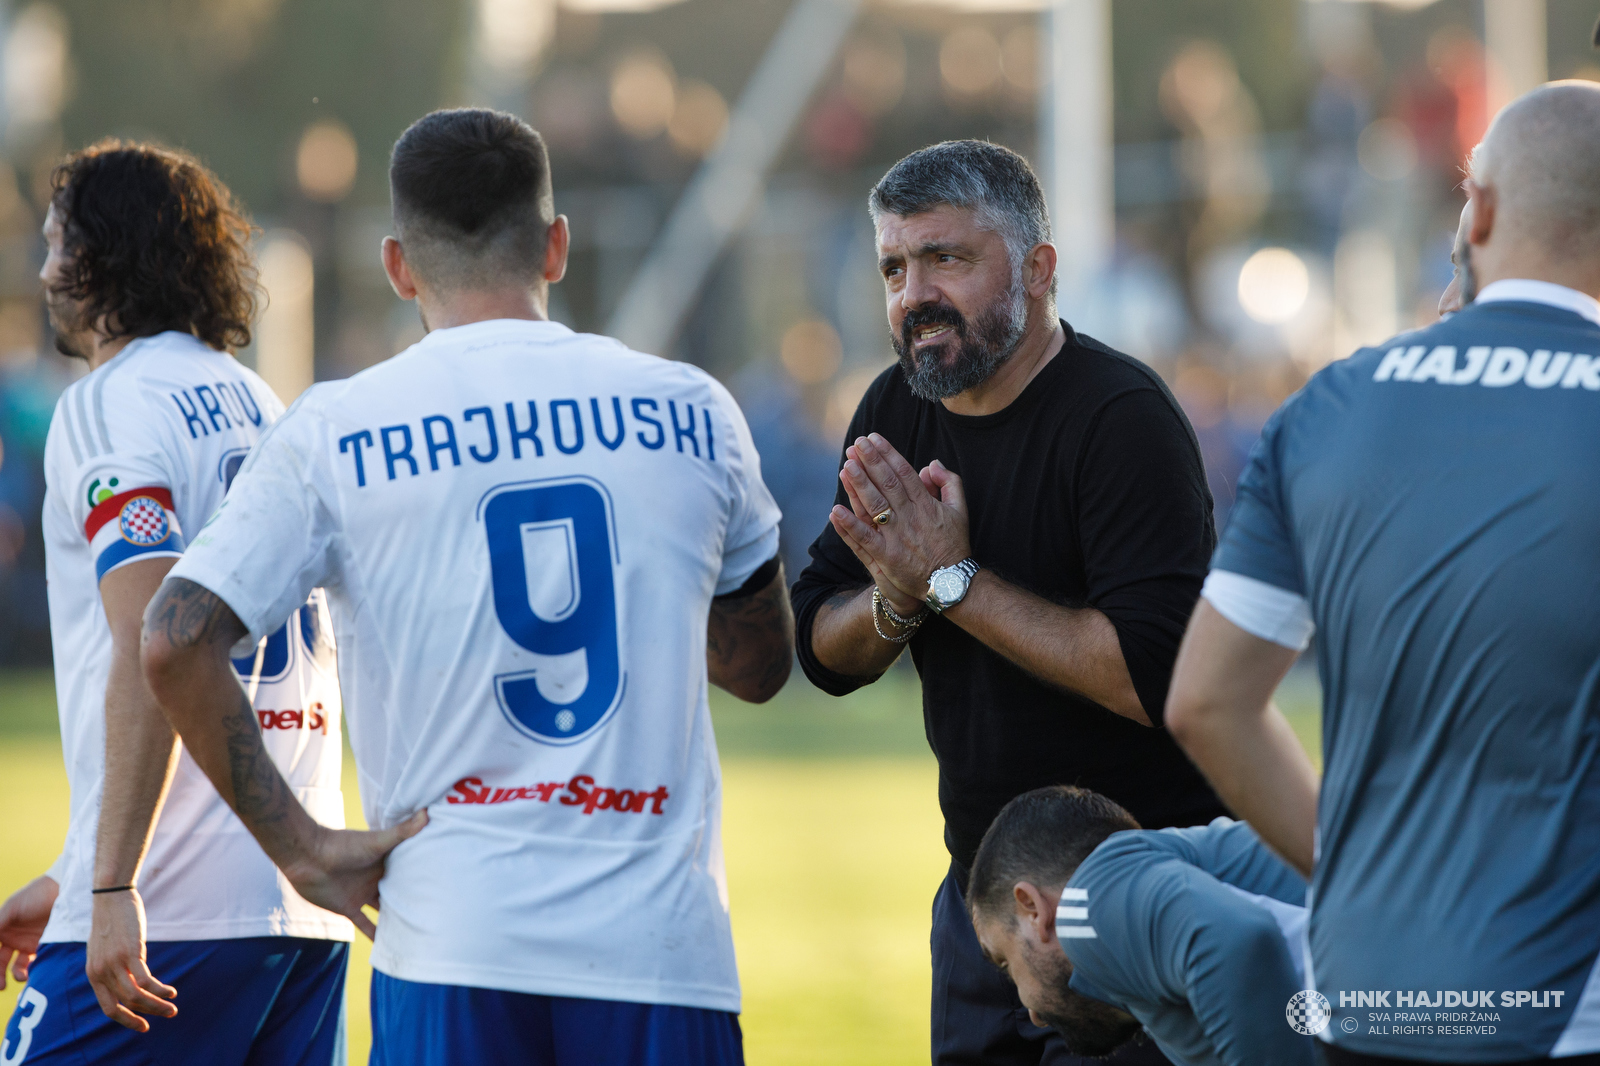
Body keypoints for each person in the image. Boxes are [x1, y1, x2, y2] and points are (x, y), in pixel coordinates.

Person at [139, 108, 793, 1066]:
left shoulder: (340, 428)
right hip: (660, 950)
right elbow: (759, 666)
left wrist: (301, 849)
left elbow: (171, 637)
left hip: (453, 941)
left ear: (400, 265)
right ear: (556, 246)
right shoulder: (692, 408)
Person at [1166, 82, 1600, 1065]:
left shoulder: (1332, 405)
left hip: (1370, 992)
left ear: (1480, 211)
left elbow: (1204, 702)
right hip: (1564, 1010)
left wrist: (1362, 867)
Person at [789, 139, 1225, 1065]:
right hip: (982, 911)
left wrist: (952, 581)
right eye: (895, 268)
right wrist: (899, 601)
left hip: (1131, 895)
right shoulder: (896, 411)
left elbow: (1155, 677)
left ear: (1038, 268)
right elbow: (818, 646)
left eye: (948, 258)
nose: (914, 295)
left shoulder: (1122, 419)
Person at [0, 142, 354, 1065]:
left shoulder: (108, 403)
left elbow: (150, 639)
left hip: (169, 910)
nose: (44, 272)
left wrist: (110, 887)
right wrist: (74, 872)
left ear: (104, 256)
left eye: (55, 245)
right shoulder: (258, 399)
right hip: (298, 920)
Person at [967, 786, 1312, 1066]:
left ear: (1033, 909)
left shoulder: (1087, 900)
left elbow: (1238, 942)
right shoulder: (1150, 972)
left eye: (1006, 964)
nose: (1032, 1013)